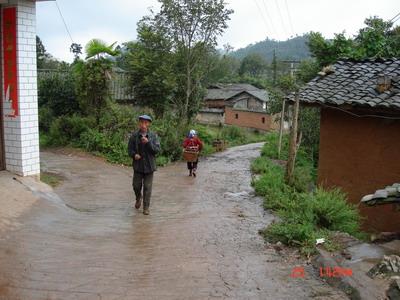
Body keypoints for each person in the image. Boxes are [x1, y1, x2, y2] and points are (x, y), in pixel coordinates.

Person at [128, 115, 160, 215]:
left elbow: (157, 150)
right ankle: (138, 197)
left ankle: (146, 208)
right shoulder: (134, 136)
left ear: (149, 124)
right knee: (136, 186)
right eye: (142, 122)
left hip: (150, 166)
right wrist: (134, 155)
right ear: (139, 123)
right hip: (138, 166)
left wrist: (148, 142)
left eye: (146, 123)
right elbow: (129, 150)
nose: (143, 125)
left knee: (147, 187)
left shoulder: (153, 136)